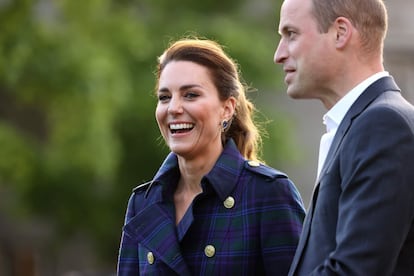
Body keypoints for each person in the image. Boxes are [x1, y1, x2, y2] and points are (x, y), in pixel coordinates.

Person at [117, 37, 305, 275]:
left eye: (190, 95)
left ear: (226, 109)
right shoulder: (143, 202)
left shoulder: (268, 193)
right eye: (164, 97)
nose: (173, 108)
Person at [274, 0, 414, 275]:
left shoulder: (383, 126)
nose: (278, 54)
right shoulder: (362, 125)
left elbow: (355, 269)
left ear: (340, 32)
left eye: (291, 34)